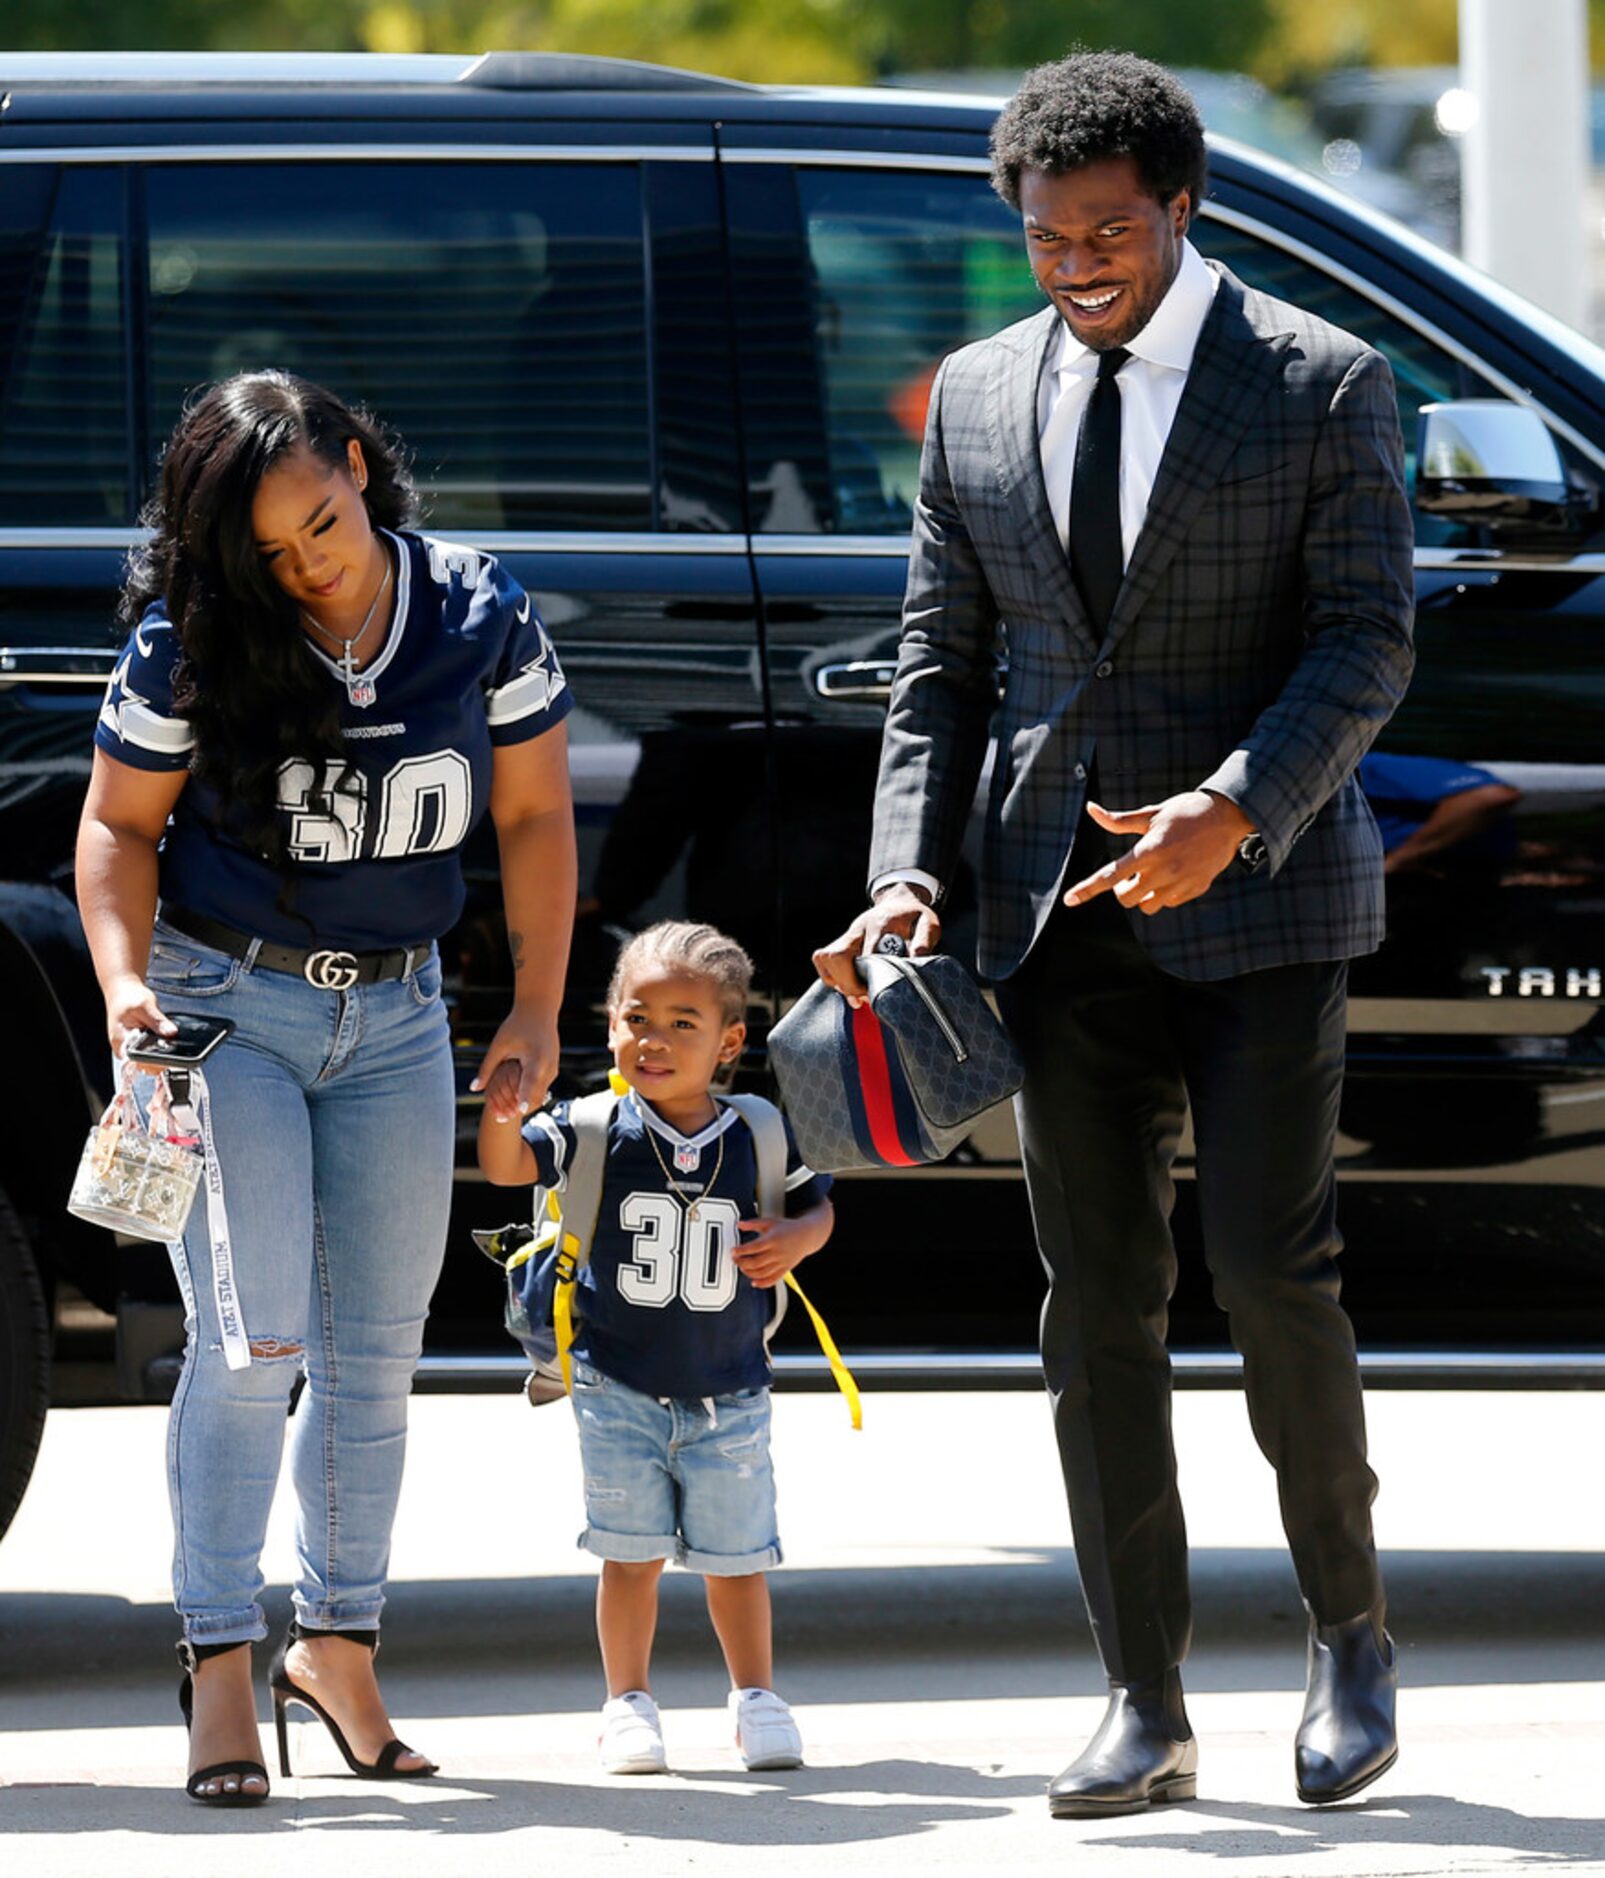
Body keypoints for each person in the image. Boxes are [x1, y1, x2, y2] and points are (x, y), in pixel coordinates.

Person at [814, 53, 1415, 1816]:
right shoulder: (981, 397)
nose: (1077, 265)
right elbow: (942, 664)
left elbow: (1368, 637)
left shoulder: (1316, 381)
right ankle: (1143, 1696)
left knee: (1267, 1270)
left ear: (1182, 207)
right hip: (1044, 923)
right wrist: (909, 870)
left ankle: (1350, 1634)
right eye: (1045, 238)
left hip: (1262, 902)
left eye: (1109, 233)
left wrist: (1239, 800)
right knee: (1098, 1312)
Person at [75, 371, 576, 1805]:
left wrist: (533, 1010)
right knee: (255, 1343)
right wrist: (125, 990)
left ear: (360, 467)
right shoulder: (195, 640)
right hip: (226, 1009)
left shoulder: (478, 609)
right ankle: (219, 1656)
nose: (310, 564)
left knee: (377, 1352)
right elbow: (115, 829)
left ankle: (338, 1645)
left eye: (323, 523)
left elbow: (535, 811)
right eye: (274, 554)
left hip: (403, 1018)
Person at [478, 920, 833, 1776]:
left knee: (737, 1559)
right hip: (615, 1385)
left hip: (732, 1388)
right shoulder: (592, 1126)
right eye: (638, 1018)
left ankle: (756, 1698)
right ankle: (626, 1704)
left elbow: (816, 1207)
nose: (656, 1040)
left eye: (684, 1023)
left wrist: (796, 1237)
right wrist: (505, 1110)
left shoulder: (759, 1132)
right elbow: (504, 1170)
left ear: (729, 1042)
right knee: (626, 1555)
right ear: (609, 1026)